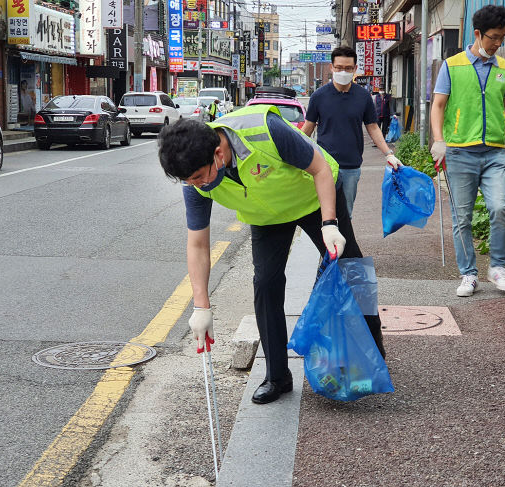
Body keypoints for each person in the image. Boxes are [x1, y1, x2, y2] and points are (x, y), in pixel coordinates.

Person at [157, 105, 387, 405]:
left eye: (198, 177)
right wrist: (201, 306)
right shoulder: (195, 181)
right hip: (267, 217)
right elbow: (198, 244)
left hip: (314, 197)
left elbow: (319, 169)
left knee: (350, 267)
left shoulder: (266, 131)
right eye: (187, 181)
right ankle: (277, 376)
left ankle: (373, 352)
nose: (195, 185)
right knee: (265, 283)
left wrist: (329, 224)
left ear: (218, 152)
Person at [430, 4, 505, 297]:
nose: (498, 43)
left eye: (502, 37)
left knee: (500, 207)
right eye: (493, 37)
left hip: (494, 153)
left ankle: (499, 267)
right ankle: (468, 274)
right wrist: (438, 140)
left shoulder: (504, 68)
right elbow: (438, 105)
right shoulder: (452, 65)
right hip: (459, 152)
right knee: (462, 218)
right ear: (477, 34)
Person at [302, 46, 402, 219]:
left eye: (348, 68)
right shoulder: (319, 96)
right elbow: (308, 128)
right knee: (323, 214)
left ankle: (342, 246)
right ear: (331, 67)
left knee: (345, 215)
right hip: (324, 166)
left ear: (355, 69)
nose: (343, 71)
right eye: (339, 67)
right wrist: (295, 153)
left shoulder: (363, 96)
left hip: (351, 167)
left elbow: (373, 127)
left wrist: (388, 154)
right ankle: (326, 246)